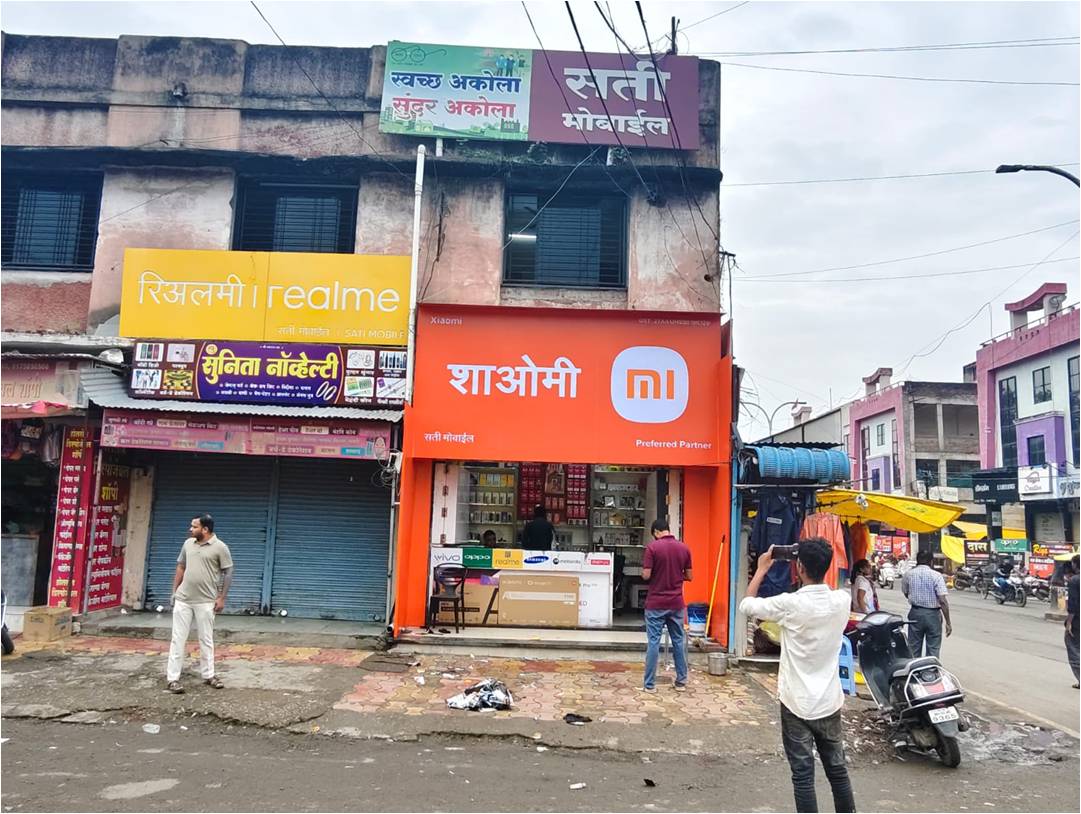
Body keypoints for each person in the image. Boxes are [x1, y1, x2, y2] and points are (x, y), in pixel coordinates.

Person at [739, 539, 855, 814]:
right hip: (829, 701)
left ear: (799, 566)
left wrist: (762, 568)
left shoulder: (790, 604)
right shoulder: (842, 600)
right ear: (827, 567)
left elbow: (747, 605)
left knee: (802, 774)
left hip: (796, 702)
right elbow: (829, 589)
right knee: (837, 769)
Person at [166, 514, 234, 694]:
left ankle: (209, 675)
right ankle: (173, 679)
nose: (190, 529)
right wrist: (174, 591)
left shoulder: (220, 547)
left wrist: (222, 598)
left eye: (194, 526)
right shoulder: (188, 544)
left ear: (205, 529)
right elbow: (181, 566)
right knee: (177, 639)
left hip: (206, 601)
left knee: (206, 639)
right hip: (183, 600)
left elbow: (228, 572)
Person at [641, 518, 692, 693]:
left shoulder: (652, 548)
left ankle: (649, 685)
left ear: (656, 532)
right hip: (676, 603)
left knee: (654, 642)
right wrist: (676, 575)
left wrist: (653, 572)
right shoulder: (684, 548)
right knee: (678, 640)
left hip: (655, 603)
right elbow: (690, 576)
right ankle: (681, 682)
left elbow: (646, 575)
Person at [901, 549, 952, 658]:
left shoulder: (908, 575)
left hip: (915, 613)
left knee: (914, 648)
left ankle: (914, 668)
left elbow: (906, 593)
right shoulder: (936, 576)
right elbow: (942, 601)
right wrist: (948, 622)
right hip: (933, 615)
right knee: (933, 649)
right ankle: (931, 667)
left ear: (917, 560)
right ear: (931, 561)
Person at [1066, 554, 1079, 689]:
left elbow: (1073, 604)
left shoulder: (1074, 580)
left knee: (1073, 647)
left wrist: (1069, 622)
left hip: (1077, 620)